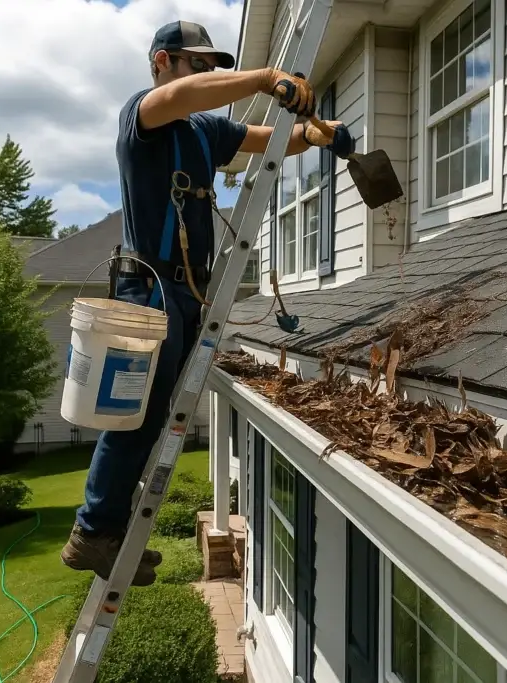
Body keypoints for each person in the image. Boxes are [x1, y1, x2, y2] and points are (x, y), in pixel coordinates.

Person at [60, 20, 355, 587]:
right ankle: (93, 530)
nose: (207, 74)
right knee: (133, 416)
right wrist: (268, 79)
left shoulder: (202, 133)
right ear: (162, 63)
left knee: (152, 420)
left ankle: (110, 529)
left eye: (211, 67)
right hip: (150, 288)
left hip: (189, 293)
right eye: (198, 64)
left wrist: (317, 136)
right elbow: (181, 97)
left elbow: (272, 143)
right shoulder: (142, 117)